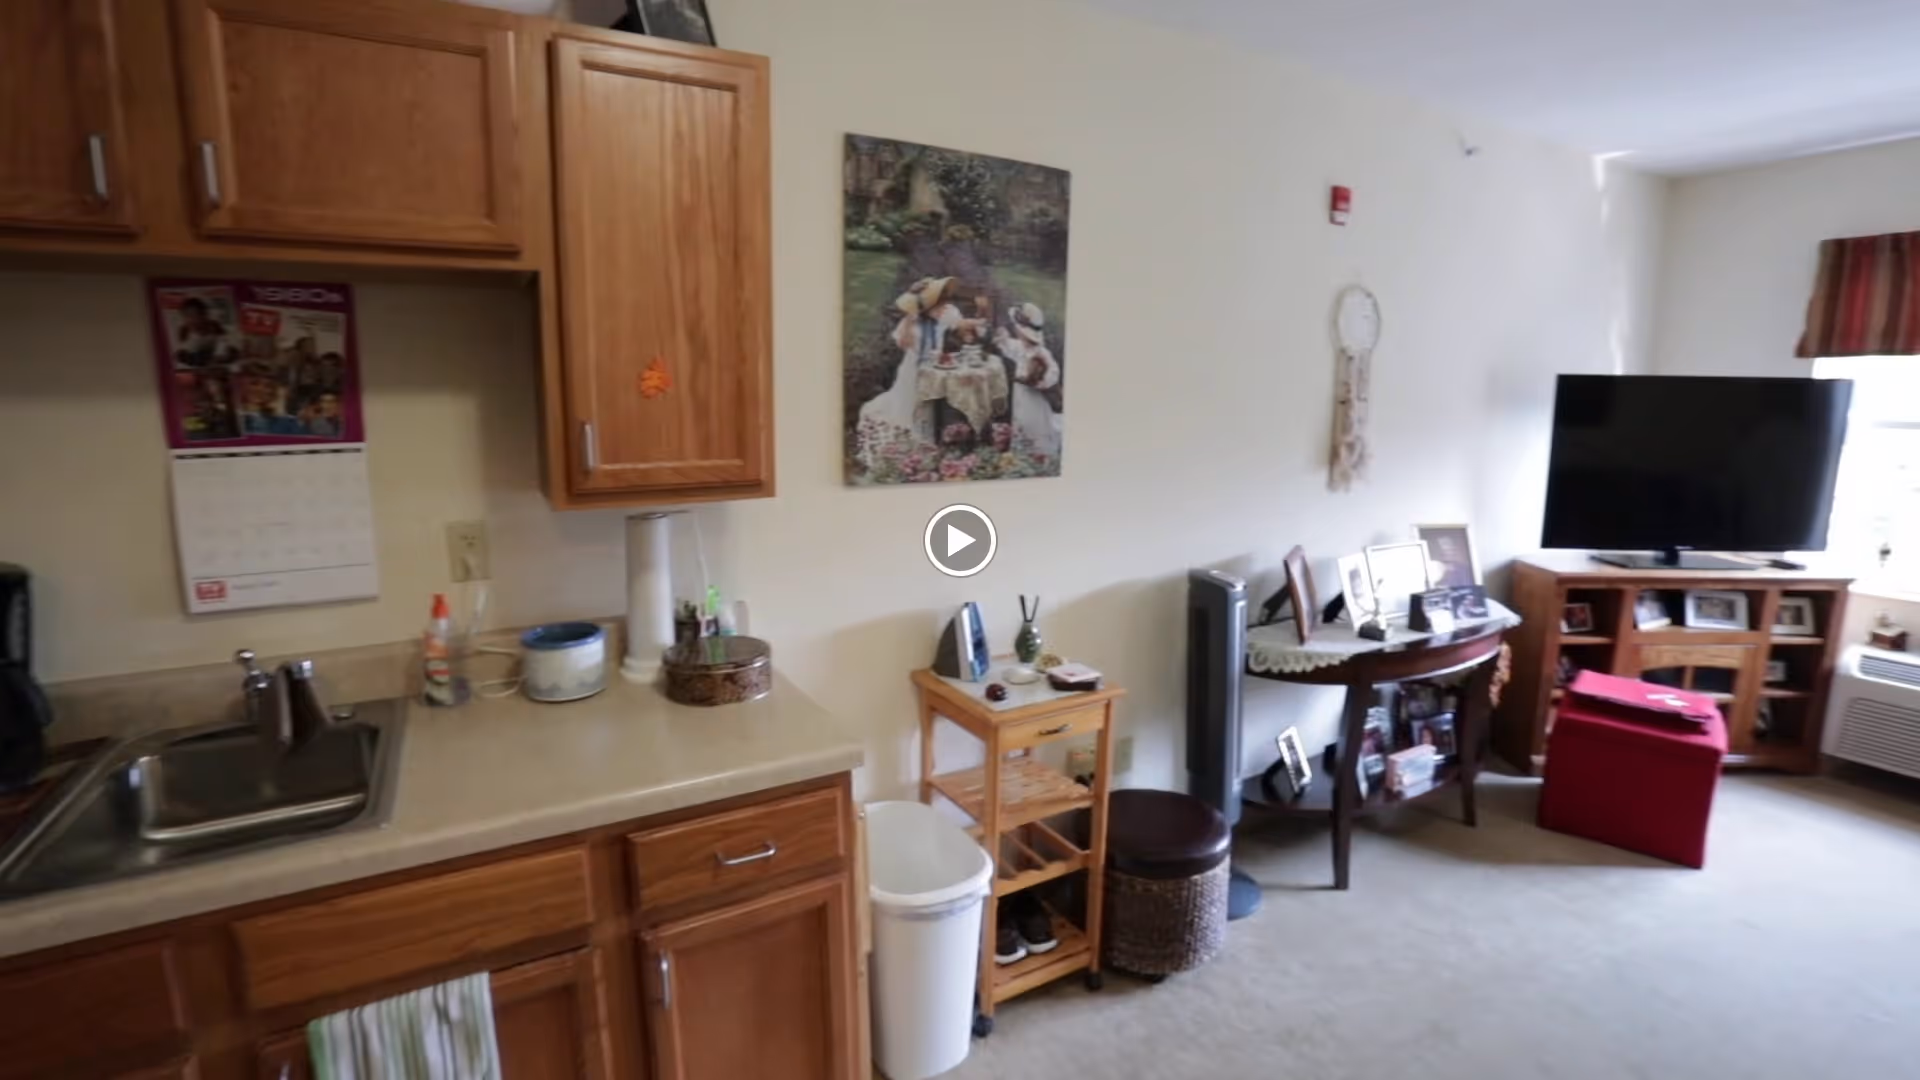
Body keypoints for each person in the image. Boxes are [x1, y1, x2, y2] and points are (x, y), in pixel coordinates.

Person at [856, 277, 975, 467]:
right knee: (911, 408)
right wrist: (910, 320)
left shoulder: (947, 313)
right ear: (926, 307)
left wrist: (980, 317)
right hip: (913, 369)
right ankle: (911, 451)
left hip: (934, 370)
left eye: (944, 302)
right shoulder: (913, 321)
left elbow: (962, 325)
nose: (943, 307)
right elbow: (904, 344)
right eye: (938, 304)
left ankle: (928, 445)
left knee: (929, 408)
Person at [992, 301, 1062, 460]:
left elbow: (1053, 374)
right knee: (1021, 422)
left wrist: (1038, 380)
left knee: (1034, 424)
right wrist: (1002, 336)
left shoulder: (1041, 353)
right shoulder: (1020, 347)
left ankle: (1039, 455)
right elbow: (1008, 345)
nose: (1016, 331)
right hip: (1021, 396)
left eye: (1017, 329)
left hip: (1034, 399)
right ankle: (1022, 454)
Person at [174, 297, 236, 367]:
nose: (191, 320)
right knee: (179, 355)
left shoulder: (213, 326)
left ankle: (214, 361)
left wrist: (219, 354)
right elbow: (185, 349)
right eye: (187, 316)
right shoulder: (184, 330)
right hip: (197, 355)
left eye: (195, 315)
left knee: (231, 351)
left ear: (204, 315)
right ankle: (204, 362)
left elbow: (223, 340)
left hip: (213, 351)